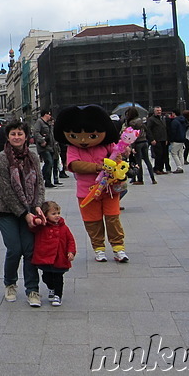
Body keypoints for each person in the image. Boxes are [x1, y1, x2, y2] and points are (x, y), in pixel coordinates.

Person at [54, 104, 128, 263]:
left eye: (91, 136)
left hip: (109, 190)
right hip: (87, 192)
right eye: (76, 136)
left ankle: (118, 247)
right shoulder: (73, 148)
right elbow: (73, 165)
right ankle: (99, 248)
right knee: (93, 221)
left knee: (113, 218)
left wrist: (118, 168)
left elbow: (118, 158)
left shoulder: (108, 145)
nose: (83, 140)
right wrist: (98, 167)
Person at [0, 120, 45, 307]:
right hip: (6, 211)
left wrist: (37, 205)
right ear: (8, 136)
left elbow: (40, 183)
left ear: (26, 136)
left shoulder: (33, 157)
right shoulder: (1, 159)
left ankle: (32, 289)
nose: (16, 137)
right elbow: (6, 191)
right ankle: (10, 283)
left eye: (20, 134)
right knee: (15, 249)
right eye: (13, 134)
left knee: (30, 250)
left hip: (29, 209)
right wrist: (24, 214)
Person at [30, 200, 76, 307]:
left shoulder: (63, 227)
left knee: (58, 277)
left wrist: (71, 251)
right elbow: (33, 227)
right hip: (45, 257)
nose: (57, 216)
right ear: (46, 215)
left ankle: (58, 295)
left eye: (58, 213)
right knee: (46, 277)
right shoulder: (42, 226)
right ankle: (51, 288)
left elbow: (70, 240)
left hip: (59, 257)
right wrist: (37, 220)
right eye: (53, 214)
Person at [123, 107, 155, 185]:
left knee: (138, 161)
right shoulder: (140, 121)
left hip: (137, 143)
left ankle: (140, 179)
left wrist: (132, 146)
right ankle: (153, 178)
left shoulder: (132, 123)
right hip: (144, 141)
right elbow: (147, 130)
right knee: (147, 160)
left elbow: (132, 135)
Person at [34, 110, 58, 188]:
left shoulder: (48, 124)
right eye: (49, 114)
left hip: (50, 146)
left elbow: (51, 135)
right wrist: (42, 141)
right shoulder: (39, 122)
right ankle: (42, 178)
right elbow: (36, 132)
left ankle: (47, 180)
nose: (50, 116)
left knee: (50, 163)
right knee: (49, 162)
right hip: (44, 147)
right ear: (45, 114)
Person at [146, 106, 169, 175]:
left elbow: (164, 129)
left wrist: (166, 138)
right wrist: (151, 139)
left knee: (163, 155)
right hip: (156, 139)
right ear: (154, 111)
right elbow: (148, 130)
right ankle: (157, 168)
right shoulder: (151, 119)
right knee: (158, 154)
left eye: (160, 110)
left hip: (163, 139)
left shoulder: (162, 118)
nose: (159, 112)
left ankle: (161, 168)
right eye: (157, 110)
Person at [168, 109, 187, 174]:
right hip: (182, 139)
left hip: (176, 139)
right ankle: (181, 165)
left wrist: (171, 139)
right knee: (180, 153)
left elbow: (173, 131)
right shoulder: (183, 120)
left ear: (173, 113)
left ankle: (179, 167)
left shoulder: (174, 121)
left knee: (174, 153)